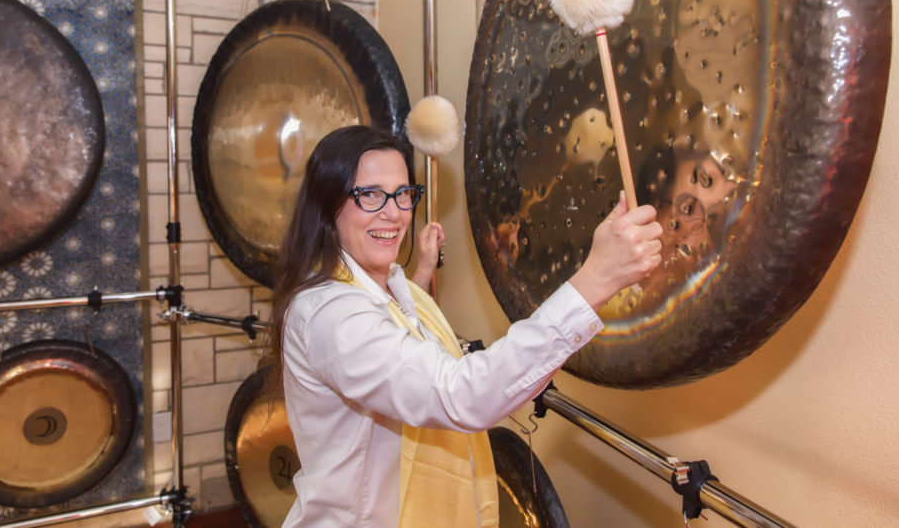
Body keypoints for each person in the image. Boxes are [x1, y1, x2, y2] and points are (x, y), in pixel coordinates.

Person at [269, 125, 662, 527]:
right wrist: (596, 280)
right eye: (369, 194)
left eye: (403, 193)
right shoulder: (331, 313)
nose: (394, 212)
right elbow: (456, 393)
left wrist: (421, 270)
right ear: (327, 203)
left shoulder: (385, 284)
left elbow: (398, 340)